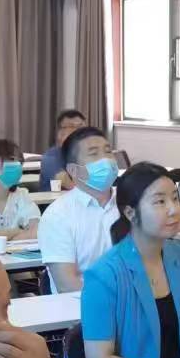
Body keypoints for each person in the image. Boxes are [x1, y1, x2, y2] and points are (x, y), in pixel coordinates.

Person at [80, 163, 180, 358]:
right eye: (160, 202)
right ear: (130, 213)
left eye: (175, 198)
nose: (173, 209)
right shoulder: (104, 274)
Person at [38, 126, 121, 293]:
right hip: (81, 305)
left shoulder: (132, 203)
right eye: (94, 154)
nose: (106, 159)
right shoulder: (58, 215)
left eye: (108, 151)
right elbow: (66, 285)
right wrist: (117, 297)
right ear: (73, 170)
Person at [39, 108, 87, 190]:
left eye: (81, 127)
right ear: (60, 133)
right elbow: (69, 185)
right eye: (72, 127)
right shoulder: (51, 157)